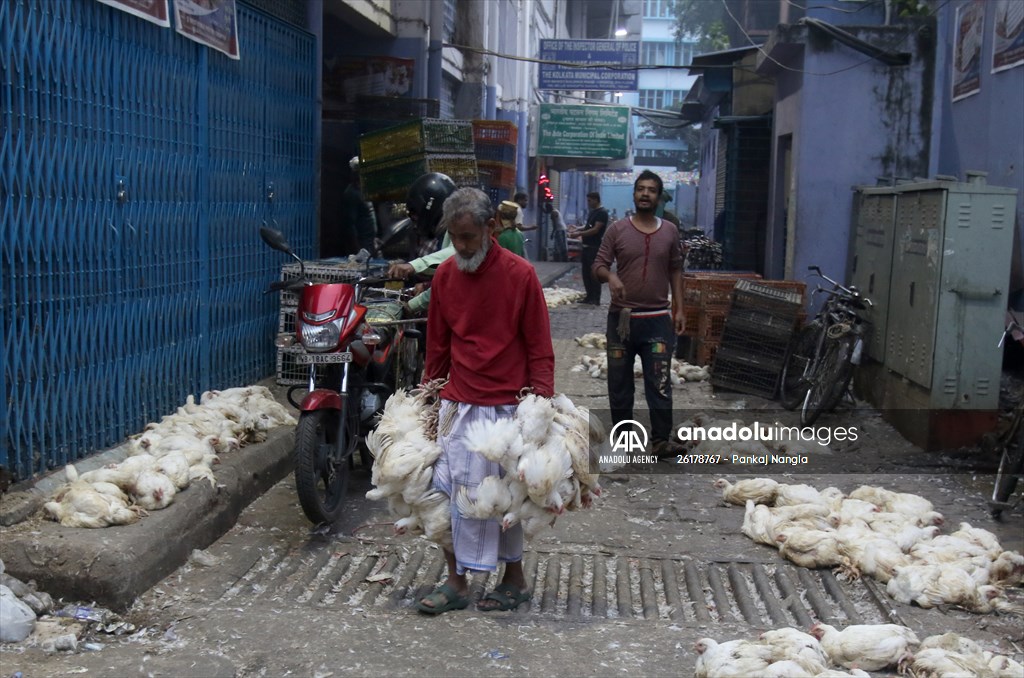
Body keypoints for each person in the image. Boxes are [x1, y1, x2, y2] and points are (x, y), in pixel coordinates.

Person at [416, 187, 555, 614]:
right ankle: (456, 581)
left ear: (490, 228)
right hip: (458, 404)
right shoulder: (444, 276)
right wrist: (428, 397)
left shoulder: (520, 275)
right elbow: (438, 345)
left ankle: (514, 580)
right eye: (454, 237)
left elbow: (539, 346)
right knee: (447, 494)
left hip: (507, 408)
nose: (461, 246)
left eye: (468, 237)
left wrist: (541, 407)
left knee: (507, 498)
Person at [593, 170, 686, 459]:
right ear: (634, 194)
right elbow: (598, 266)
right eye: (641, 189)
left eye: (651, 190)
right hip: (622, 321)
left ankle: (660, 441)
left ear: (659, 197)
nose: (645, 194)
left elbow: (675, 269)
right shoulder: (617, 230)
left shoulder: (669, 231)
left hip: (657, 321)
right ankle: (623, 439)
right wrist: (611, 277)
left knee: (659, 383)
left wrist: (679, 308)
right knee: (619, 385)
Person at [386, 172, 457, 315]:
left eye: (416, 213)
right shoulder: (440, 231)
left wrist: (413, 266)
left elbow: (453, 259)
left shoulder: (456, 227)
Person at [570, 191, 608, 305]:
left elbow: (595, 229)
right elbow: (588, 226)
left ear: (596, 200)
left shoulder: (602, 213)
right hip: (586, 247)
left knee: (593, 273)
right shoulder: (593, 212)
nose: (588, 203)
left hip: (594, 247)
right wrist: (578, 228)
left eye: (589, 200)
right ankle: (589, 296)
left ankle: (595, 298)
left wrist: (579, 234)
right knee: (586, 273)